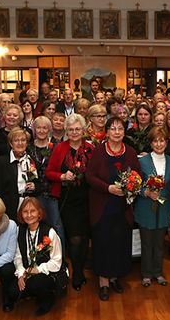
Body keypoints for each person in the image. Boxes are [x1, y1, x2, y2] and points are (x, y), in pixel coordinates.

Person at [86, 117, 141, 301]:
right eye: (113, 129)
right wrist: (108, 188)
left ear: (124, 132)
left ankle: (115, 277)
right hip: (103, 206)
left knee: (119, 243)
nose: (117, 132)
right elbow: (90, 176)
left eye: (120, 129)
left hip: (123, 207)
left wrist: (129, 187)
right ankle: (103, 281)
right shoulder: (99, 152)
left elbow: (138, 175)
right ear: (107, 131)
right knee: (103, 243)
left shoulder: (131, 152)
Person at [46, 114, 94, 291]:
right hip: (68, 200)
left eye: (77, 129)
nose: (74, 132)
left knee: (84, 238)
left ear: (83, 130)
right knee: (74, 239)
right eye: (71, 129)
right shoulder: (60, 148)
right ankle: (78, 274)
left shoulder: (90, 149)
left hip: (87, 199)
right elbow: (49, 172)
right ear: (66, 131)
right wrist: (62, 176)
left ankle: (81, 270)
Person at [135, 127, 170, 287]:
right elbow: (134, 186)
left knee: (159, 244)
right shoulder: (141, 161)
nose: (159, 144)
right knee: (146, 243)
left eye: (162, 140)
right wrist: (146, 192)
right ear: (151, 143)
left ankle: (158, 273)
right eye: (155, 141)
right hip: (145, 208)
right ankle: (146, 274)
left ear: (166, 142)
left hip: (164, 208)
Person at [11, 198, 63, 316]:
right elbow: (17, 256)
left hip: (47, 273)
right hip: (27, 271)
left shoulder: (50, 232)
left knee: (37, 283)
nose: (29, 215)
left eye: (33, 211)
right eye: (25, 211)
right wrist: (20, 274)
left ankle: (48, 299)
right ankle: (34, 293)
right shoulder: (20, 231)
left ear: (39, 213)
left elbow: (56, 262)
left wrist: (38, 269)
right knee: (13, 292)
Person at [28, 116, 66, 250]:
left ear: (49, 129)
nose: (42, 130)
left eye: (45, 127)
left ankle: (61, 257)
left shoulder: (56, 145)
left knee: (56, 224)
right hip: (36, 192)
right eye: (38, 127)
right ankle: (44, 255)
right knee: (40, 224)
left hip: (53, 191)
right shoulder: (29, 147)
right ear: (34, 129)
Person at [0, 128, 38, 221]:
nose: (20, 143)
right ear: (11, 143)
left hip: (28, 204)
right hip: (8, 207)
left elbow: (39, 182)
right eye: (16, 140)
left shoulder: (31, 160)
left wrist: (35, 186)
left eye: (23, 140)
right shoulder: (2, 162)